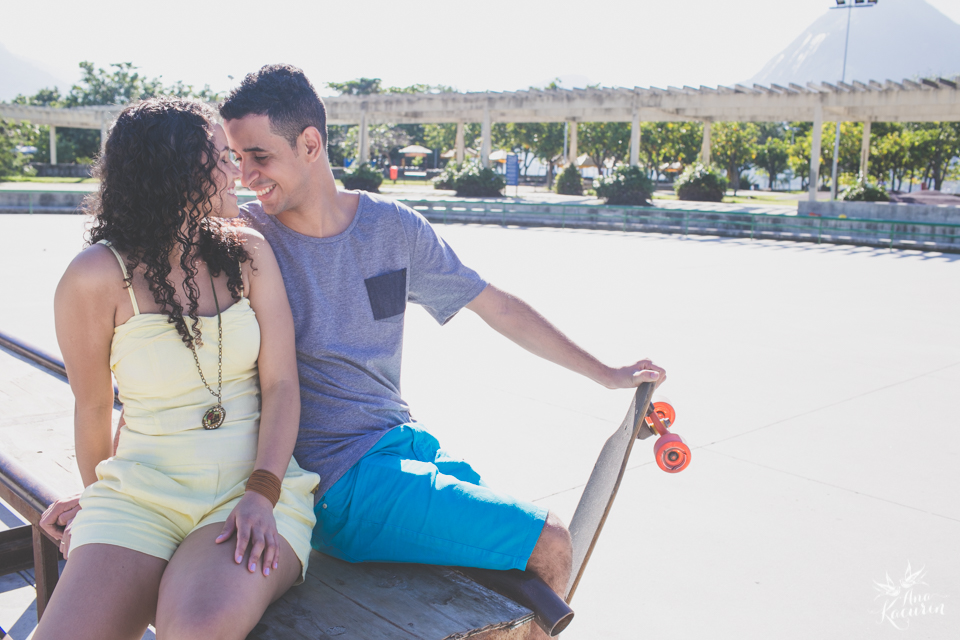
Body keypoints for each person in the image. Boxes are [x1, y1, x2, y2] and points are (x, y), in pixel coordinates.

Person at [216, 63, 666, 638]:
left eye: (258, 156)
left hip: (404, 446)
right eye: (236, 158)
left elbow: (491, 303)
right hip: (339, 483)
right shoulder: (247, 240)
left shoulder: (392, 228)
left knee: (516, 577)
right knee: (550, 540)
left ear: (310, 143)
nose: (244, 175)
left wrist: (607, 374)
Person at [36, 97, 320, 640]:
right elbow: (93, 406)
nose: (237, 170)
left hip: (251, 493)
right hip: (141, 496)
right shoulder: (95, 277)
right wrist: (96, 497)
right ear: (176, 174)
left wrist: (262, 493)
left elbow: (282, 384)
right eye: (220, 157)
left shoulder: (249, 252)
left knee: (196, 629)